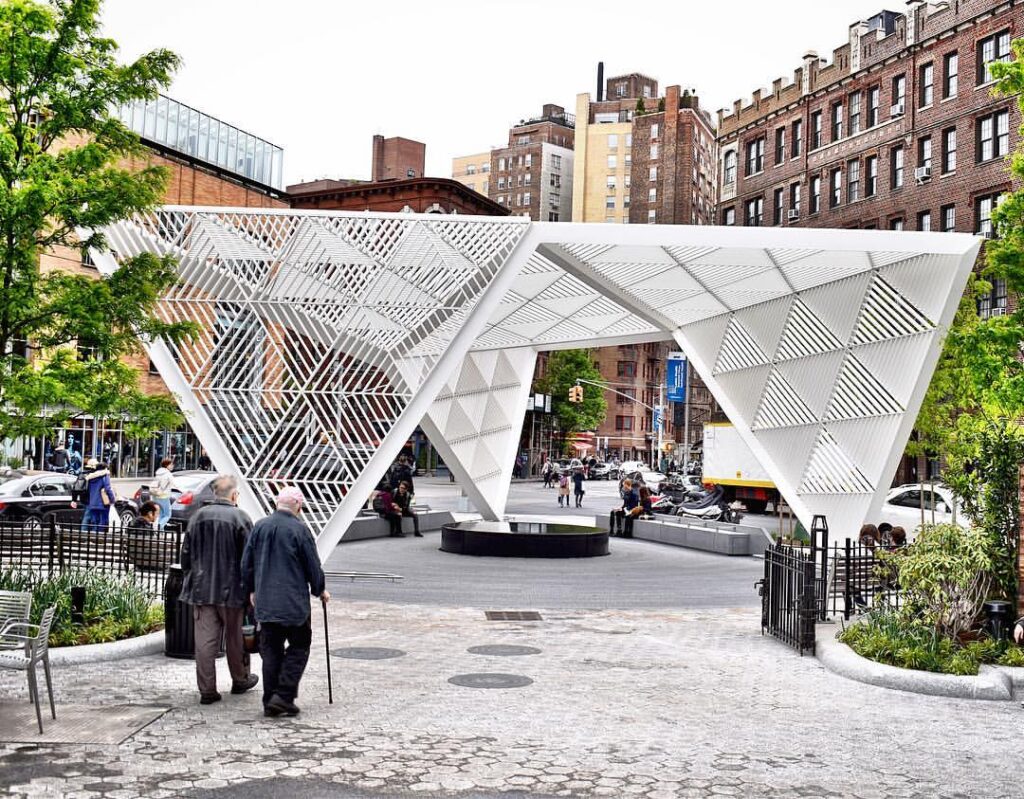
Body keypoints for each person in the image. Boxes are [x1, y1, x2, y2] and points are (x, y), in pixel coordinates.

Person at [241, 486, 328, 718]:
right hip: (294, 605)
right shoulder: (300, 530)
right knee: (299, 647)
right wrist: (320, 590)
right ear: (298, 507)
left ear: (277, 504)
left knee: (271, 652)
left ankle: (271, 700)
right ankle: (284, 695)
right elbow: (312, 566)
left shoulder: (260, 526)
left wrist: (250, 589)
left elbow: (246, 564)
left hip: (266, 604)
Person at [179, 475, 258, 705]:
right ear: (234, 495)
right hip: (233, 591)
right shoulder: (241, 518)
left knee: (204, 642)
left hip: (202, 590)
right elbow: (249, 559)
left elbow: (186, 554)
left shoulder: (197, 517)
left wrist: (190, 577)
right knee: (236, 639)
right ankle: (240, 679)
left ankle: (207, 690)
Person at [82, 459, 114, 533]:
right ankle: (100, 540)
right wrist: (112, 499)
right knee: (102, 523)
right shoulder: (105, 476)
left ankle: (93, 539)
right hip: (103, 503)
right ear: (105, 468)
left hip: (92, 503)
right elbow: (108, 488)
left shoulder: (90, 477)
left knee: (94, 523)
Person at [152, 457, 176, 531]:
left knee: (161, 514)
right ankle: (158, 527)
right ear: (167, 465)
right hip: (164, 496)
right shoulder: (168, 474)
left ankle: (160, 532)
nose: (173, 466)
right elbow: (174, 484)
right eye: (171, 464)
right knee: (167, 514)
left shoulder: (158, 473)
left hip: (155, 496)